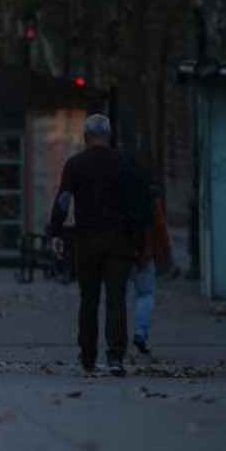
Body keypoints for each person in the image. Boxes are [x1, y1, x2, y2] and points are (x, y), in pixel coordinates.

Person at [46, 114, 136, 377]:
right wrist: (136, 238)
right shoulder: (124, 163)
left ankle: (88, 356)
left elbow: (64, 200)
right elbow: (135, 203)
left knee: (89, 300)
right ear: (109, 136)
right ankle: (116, 357)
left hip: (87, 241)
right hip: (119, 241)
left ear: (86, 137)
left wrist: (56, 232)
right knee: (116, 300)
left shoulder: (76, 165)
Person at [130, 182, 173, 357]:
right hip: (145, 254)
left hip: (121, 254)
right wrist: (165, 256)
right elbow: (161, 227)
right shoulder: (151, 200)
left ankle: (118, 341)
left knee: (119, 298)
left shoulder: (118, 194)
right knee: (145, 294)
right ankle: (140, 332)